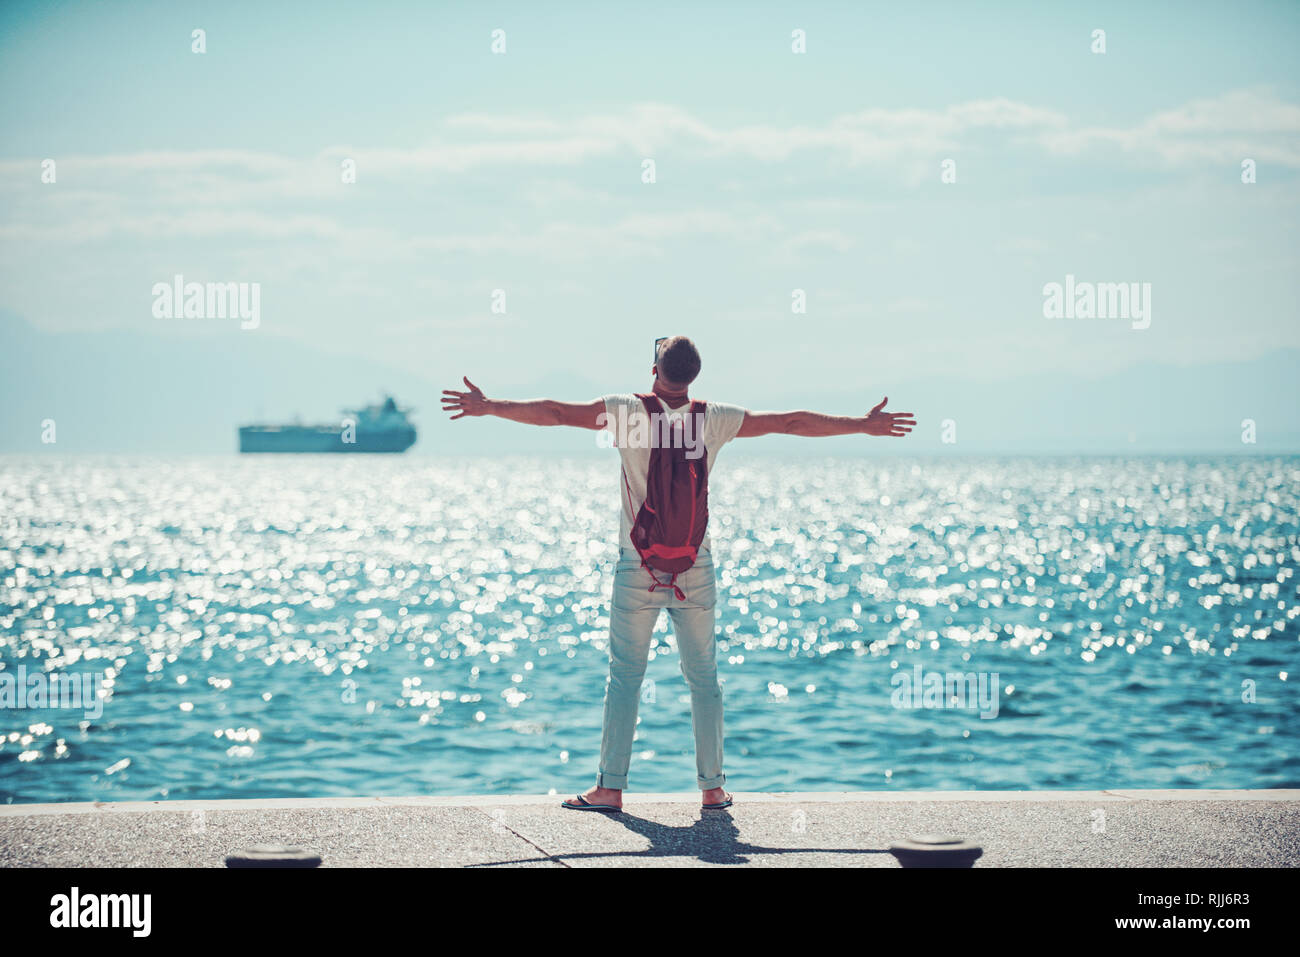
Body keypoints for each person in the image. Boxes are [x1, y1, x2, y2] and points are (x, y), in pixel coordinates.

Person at [440, 336, 916, 812]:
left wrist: (488, 407)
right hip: (695, 565)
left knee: (625, 677)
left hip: (637, 566)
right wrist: (863, 425)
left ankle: (610, 788)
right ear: (693, 377)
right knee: (703, 678)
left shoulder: (626, 411)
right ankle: (712, 789)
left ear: (654, 370)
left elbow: (556, 413)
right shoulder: (714, 419)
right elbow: (790, 422)